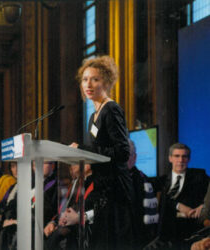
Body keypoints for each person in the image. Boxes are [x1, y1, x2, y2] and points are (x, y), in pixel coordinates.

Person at [70, 55, 134, 249]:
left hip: (115, 190)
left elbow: (122, 152)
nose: (88, 84)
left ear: (106, 82)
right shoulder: (93, 117)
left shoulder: (111, 109)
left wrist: (82, 149)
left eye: (94, 79)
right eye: (84, 79)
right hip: (101, 188)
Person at [146, 143, 209, 250]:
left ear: (189, 159)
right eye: (177, 156)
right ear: (170, 158)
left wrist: (204, 206)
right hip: (166, 232)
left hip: (192, 230)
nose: (180, 160)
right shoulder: (161, 181)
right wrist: (178, 206)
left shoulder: (199, 176)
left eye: (184, 156)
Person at [44, 164, 96, 250]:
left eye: (74, 162)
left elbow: (100, 211)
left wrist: (80, 218)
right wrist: (53, 222)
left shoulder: (98, 182)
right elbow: (67, 208)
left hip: (87, 233)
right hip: (71, 231)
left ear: (88, 165)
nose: (71, 165)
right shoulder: (75, 182)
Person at [127, 139, 159, 249]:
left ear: (134, 157)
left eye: (127, 154)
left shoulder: (142, 180)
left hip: (136, 238)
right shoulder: (110, 179)